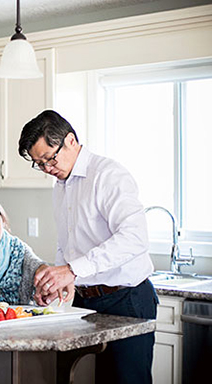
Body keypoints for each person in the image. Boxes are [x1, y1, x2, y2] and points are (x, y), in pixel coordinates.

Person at [18, 110, 158, 384]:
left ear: (70, 140)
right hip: (86, 305)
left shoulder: (108, 175)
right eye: (39, 163)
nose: (47, 169)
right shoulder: (61, 184)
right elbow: (69, 242)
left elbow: (134, 237)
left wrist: (72, 270)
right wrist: (60, 282)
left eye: (49, 158)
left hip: (126, 301)